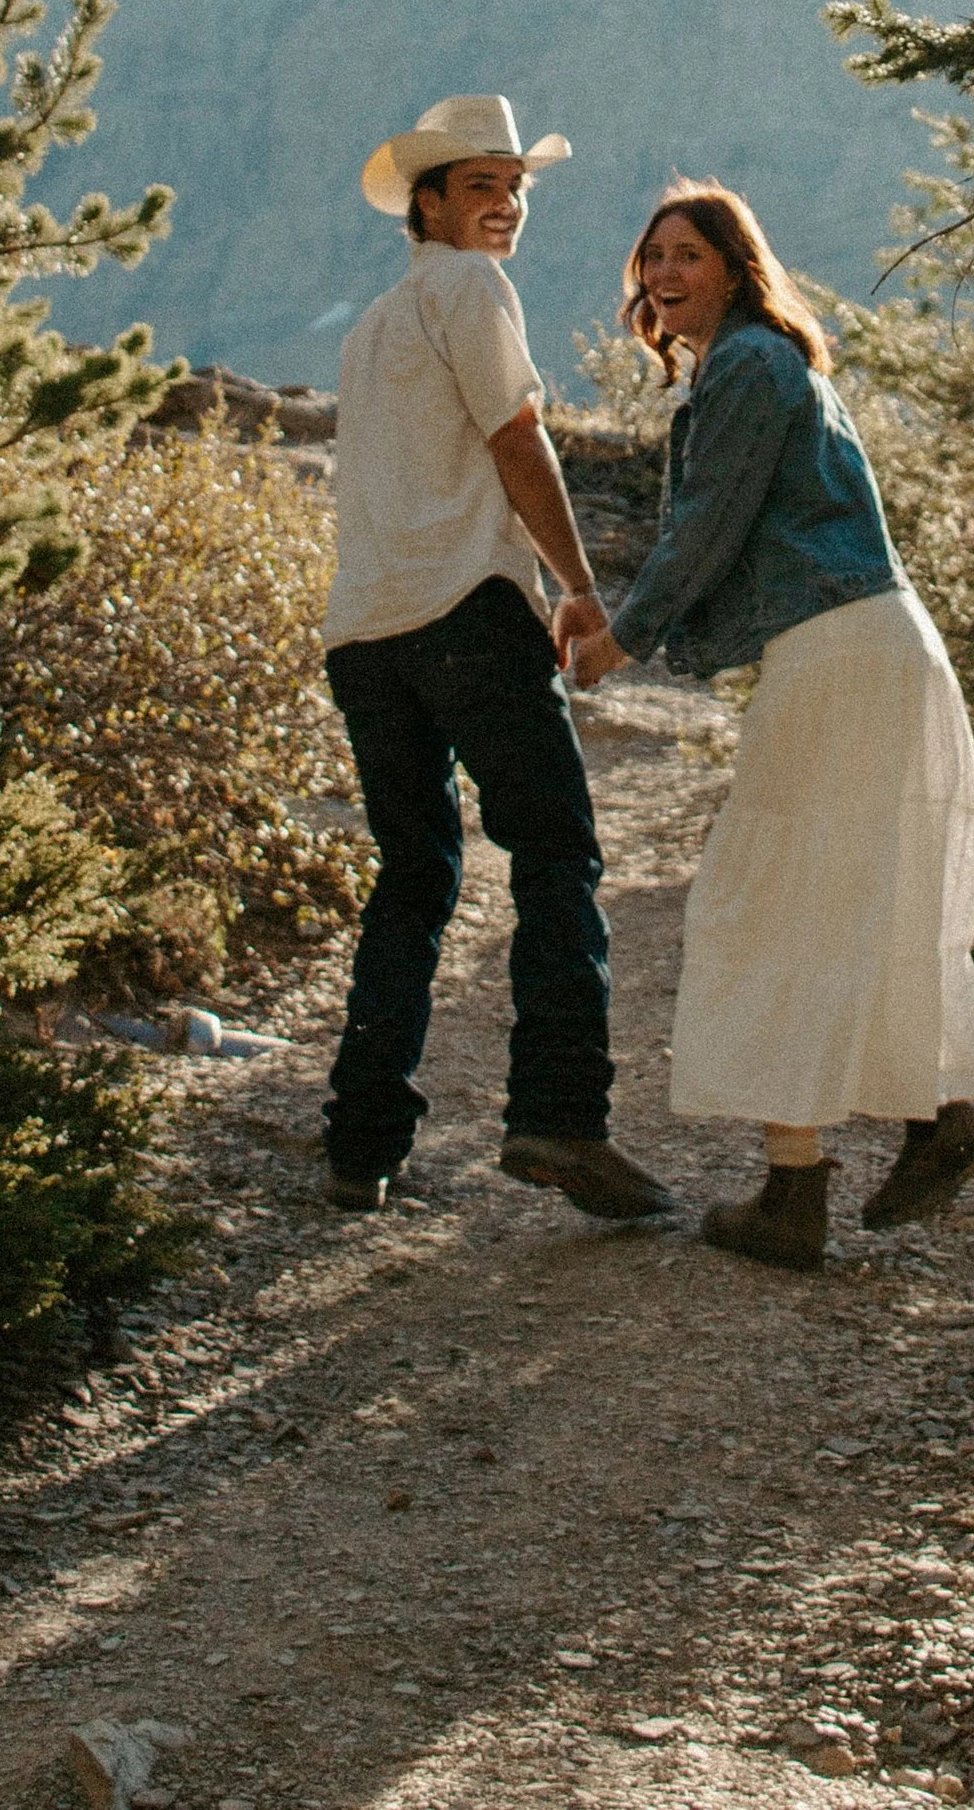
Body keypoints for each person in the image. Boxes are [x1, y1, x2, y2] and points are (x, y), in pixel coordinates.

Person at [558, 179, 974, 1272]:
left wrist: (621, 638)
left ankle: (800, 1186)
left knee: (766, 900)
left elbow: (708, 524)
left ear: (735, 267)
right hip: (873, 645)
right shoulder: (761, 362)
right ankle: (935, 1122)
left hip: (843, 649)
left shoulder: (750, 362)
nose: (662, 277)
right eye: (650, 258)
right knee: (861, 892)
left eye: (686, 257)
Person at [320, 93, 671, 1225]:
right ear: (427, 203)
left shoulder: (370, 326)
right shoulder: (470, 287)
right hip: (468, 613)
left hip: (365, 635)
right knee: (556, 854)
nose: (508, 204)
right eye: (483, 185)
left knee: (413, 879)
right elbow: (515, 437)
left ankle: (360, 1142)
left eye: (516, 186)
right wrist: (576, 588)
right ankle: (559, 1119)